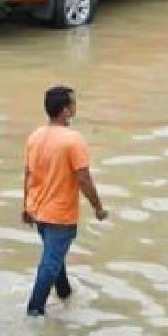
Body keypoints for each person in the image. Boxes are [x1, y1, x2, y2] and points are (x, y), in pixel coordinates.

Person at [21, 85, 108, 317]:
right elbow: (83, 178)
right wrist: (98, 207)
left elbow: (28, 173)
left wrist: (25, 206)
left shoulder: (35, 136)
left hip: (38, 210)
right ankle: (35, 310)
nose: (75, 107)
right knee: (50, 263)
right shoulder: (73, 140)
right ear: (66, 111)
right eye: (73, 103)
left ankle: (65, 293)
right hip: (60, 215)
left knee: (54, 255)